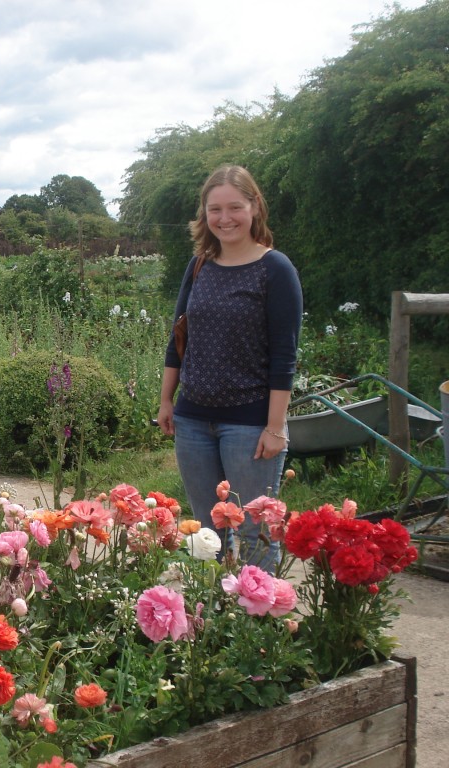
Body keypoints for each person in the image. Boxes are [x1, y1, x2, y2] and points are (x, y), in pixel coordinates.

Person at [157, 165, 302, 573]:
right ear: (204, 214)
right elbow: (178, 338)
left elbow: (283, 356)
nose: (225, 218)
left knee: (256, 533)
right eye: (215, 209)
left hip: (249, 426)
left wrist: (275, 427)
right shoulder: (199, 265)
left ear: (254, 207)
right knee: (207, 533)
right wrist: (167, 400)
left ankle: (257, 624)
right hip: (193, 421)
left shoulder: (276, 269)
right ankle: (215, 626)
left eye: (235, 207)